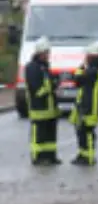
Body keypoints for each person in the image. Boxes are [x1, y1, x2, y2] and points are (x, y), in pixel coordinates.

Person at [24, 37, 61, 166]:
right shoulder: (32, 68)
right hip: (39, 109)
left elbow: (51, 83)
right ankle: (38, 157)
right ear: (39, 53)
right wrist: (51, 86)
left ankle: (51, 157)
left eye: (48, 52)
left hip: (50, 110)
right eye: (46, 53)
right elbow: (36, 89)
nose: (48, 55)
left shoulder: (45, 67)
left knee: (50, 136)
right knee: (39, 136)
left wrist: (54, 84)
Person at [69, 43, 98, 166]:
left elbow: (77, 79)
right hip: (86, 104)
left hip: (89, 106)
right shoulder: (94, 70)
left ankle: (88, 157)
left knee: (87, 131)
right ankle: (83, 154)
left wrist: (80, 68)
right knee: (81, 131)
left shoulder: (92, 71)